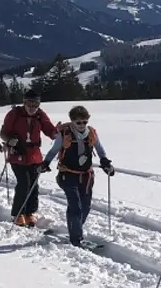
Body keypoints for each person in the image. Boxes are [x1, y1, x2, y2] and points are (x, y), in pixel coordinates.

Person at [39, 105, 114, 247]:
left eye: (84, 121)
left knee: (85, 206)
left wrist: (105, 162)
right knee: (75, 206)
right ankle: (76, 238)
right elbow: (54, 150)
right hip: (67, 174)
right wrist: (46, 163)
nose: (82, 125)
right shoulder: (64, 134)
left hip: (86, 176)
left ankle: (74, 229)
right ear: (72, 121)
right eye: (78, 122)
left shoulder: (91, 133)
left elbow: (100, 149)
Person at [0, 89, 59, 226]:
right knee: (23, 184)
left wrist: (57, 133)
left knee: (33, 185)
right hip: (17, 154)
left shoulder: (40, 115)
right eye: (29, 104)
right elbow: (3, 133)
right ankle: (18, 213)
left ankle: (30, 213)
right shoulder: (14, 114)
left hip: (35, 156)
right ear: (24, 103)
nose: (32, 107)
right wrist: (9, 140)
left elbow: (49, 130)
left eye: (35, 104)